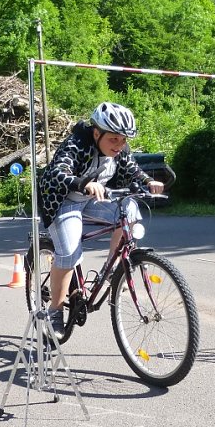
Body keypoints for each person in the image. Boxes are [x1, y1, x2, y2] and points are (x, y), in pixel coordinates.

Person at [38, 102, 164, 336]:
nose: (119, 145)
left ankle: (113, 268)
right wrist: (83, 183)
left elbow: (132, 168)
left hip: (92, 200)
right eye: (113, 139)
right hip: (63, 201)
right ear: (97, 133)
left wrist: (148, 181)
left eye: (124, 139)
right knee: (68, 251)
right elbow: (59, 171)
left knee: (130, 209)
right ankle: (54, 312)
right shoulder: (76, 144)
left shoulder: (120, 151)